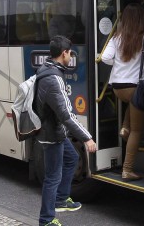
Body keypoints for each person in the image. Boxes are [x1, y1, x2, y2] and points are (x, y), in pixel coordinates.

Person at [35, 35, 97, 226]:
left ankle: (61, 199)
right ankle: (46, 220)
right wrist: (87, 138)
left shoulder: (48, 69)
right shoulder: (54, 79)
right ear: (64, 53)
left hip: (54, 131)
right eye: (70, 53)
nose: (71, 56)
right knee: (53, 177)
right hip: (51, 134)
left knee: (71, 158)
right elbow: (66, 115)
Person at [101, 3, 144, 181]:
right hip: (134, 87)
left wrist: (118, 65)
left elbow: (105, 58)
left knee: (133, 105)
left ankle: (124, 127)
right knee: (137, 130)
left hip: (117, 88)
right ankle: (127, 169)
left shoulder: (116, 38)